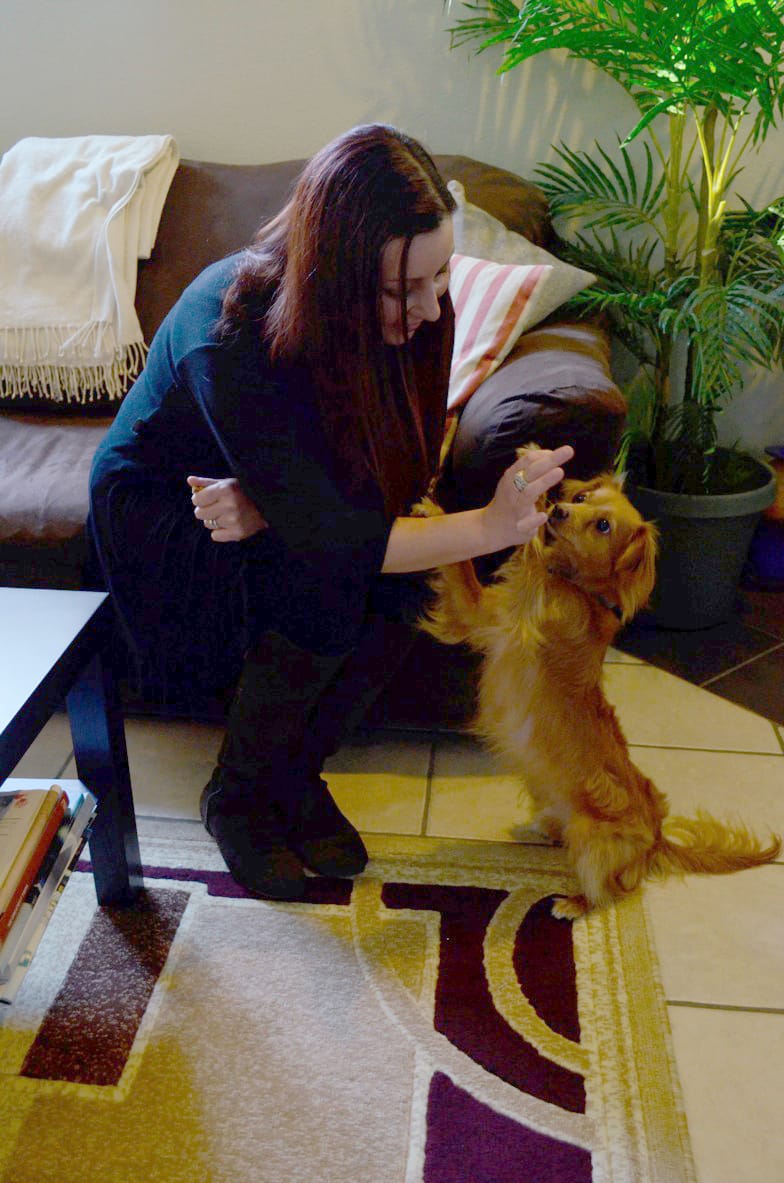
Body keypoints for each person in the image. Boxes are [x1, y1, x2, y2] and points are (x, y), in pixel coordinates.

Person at [88, 123, 573, 901]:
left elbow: (394, 471)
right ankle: (237, 797)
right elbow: (336, 534)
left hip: (269, 490)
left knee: (403, 588)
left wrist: (279, 500)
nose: (430, 305)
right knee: (324, 585)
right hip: (170, 510)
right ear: (335, 273)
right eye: (401, 289)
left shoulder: (419, 303)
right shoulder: (231, 326)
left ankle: (294, 771)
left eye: (439, 276)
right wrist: (487, 524)